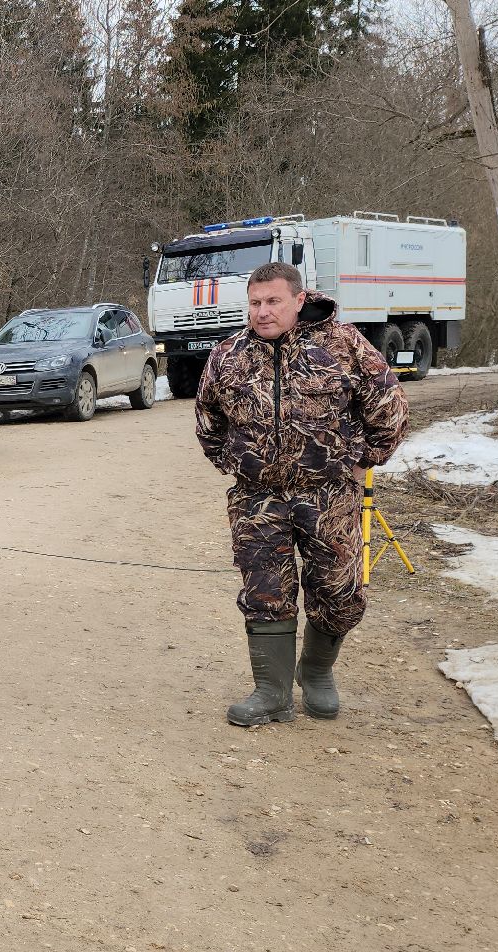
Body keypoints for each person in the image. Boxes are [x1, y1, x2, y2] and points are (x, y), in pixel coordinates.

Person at [194, 261, 409, 727]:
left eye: (273, 302)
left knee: (339, 590)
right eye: (255, 303)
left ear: (299, 299)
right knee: (264, 591)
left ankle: (315, 673)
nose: (263, 312)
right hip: (257, 498)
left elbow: (389, 406)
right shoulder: (229, 353)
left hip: (328, 494)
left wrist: (363, 459)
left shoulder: (344, 345)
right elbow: (208, 416)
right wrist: (231, 461)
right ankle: (271, 692)